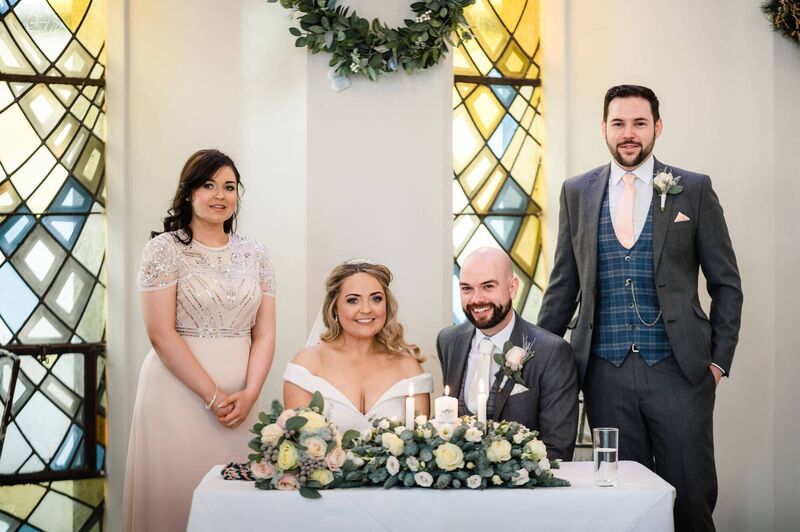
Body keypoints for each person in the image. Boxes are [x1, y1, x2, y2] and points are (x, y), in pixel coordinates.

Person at [537, 85, 743, 531]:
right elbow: (562, 286)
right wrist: (533, 362)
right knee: (621, 504)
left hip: (681, 372)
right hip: (603, 374)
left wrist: (717, 363)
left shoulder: (694, 189)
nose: (628, 134)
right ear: (604, 129)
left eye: (639, 123)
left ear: (657, 128)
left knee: (689, 499)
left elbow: (726, 283)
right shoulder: (577, 192)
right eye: (619, 123)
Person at [122, 149, 276, 532]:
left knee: (238, 507)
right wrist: (211, 395)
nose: (220, 195)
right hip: (177, 394)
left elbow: (266, 332)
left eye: (229, 186)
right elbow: (160, 333)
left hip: (243, 398)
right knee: (176, 504)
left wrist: (251, 392)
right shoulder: (165, 249)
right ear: (189, 192)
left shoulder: (257, 254)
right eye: (209, 185)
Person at [436, 247, 578, 461]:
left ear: (512, 288)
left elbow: (558, 449)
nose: (476, 299)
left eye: (488, 286)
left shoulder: (552, 352)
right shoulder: (448, 341)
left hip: (522, 490)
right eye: (467, 289)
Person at [283, 260, 431, 434]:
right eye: (353, 300)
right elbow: (301, 448)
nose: (366, 309)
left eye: (376, 299)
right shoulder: (307, 365)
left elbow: (421, 445)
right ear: (335, 307)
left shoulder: (408, 368)